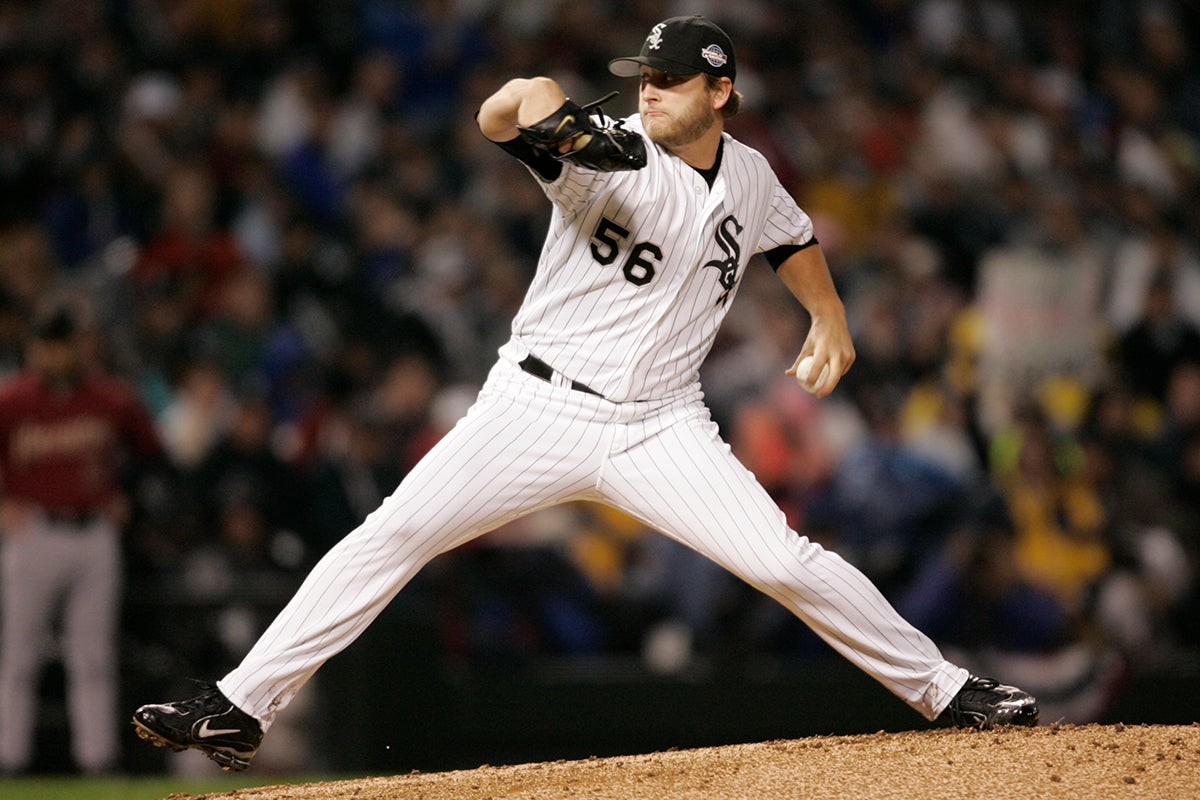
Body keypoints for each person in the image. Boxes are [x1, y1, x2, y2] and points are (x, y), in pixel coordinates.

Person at [133, 16, 1038, 772]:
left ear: (721, 92)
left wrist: (829, 315)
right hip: (536, 407)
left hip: (661, 425)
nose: (649, 90)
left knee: (783, 563)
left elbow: (790, 239)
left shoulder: (752, 175)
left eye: (671, 80)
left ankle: (948, 691)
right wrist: (552, 111)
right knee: (394, 534)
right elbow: (505, 112)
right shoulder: (606, 153)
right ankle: (238, 704)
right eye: (644, 77)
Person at [0, 303, 162, 774]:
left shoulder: (111, 398)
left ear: (77, 347)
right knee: (19, 655)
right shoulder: (13, 400)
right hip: (34, 532)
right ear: (34, 348)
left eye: (61, 344)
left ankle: (98, 761)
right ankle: (8, 760)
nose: (53, 354)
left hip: (94, 535)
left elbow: (151, 457)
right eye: (46, 345)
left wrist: (125, 495)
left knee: (92, 656)